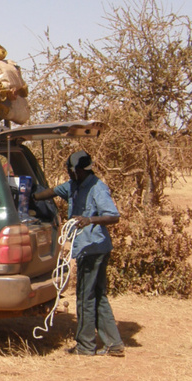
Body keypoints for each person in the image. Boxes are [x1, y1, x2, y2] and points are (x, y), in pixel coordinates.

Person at [32, 150, 126, 357]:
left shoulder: (97, 188)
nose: (69, 173)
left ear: (78, 170)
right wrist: (30, 196)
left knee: (85, 296)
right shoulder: (73, 185)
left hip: (94, 248)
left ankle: (85, 346)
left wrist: (89, 220)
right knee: (98, 295)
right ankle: (114, 344)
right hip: (87, 247)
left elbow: (113, 216)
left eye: (70, 170)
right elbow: (52, 192)